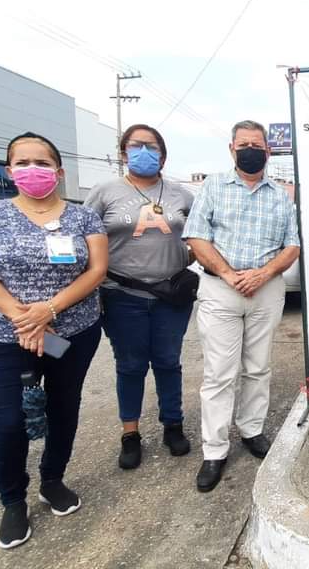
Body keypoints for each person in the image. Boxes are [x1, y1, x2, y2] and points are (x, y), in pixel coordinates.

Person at [0, 132, 106, 549]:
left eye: (40, 162)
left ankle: (52, 480)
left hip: (71, 333)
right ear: (9, 171)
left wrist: (49, 311)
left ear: (58, 172)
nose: (32, 169)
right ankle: (12, 499)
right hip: (6, 336)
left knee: (64, 408)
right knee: (9, 421)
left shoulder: (84, 218)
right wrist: (24, 318)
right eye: (21, 162)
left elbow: (96, 270)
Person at [183, 120, 300, 492]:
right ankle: (214, 450)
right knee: (219, 373)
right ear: (232, 149)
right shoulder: (213, 187)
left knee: (257, 366)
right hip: (221, 288)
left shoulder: (281, 195)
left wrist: (262, 274)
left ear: (268, 151)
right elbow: (196, 237)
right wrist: (230, 273)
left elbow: (292, 246)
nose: (251, 149)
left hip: (265, 290)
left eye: (258, 144)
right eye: (244, 143)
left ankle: (252, 430)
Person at [84, 124, 196, 470]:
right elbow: (85, 240)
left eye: (153, 146)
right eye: (137, 145)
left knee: (167, 361)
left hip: (171, 295)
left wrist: (188, 258)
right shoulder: (104, 193)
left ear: (163, 154)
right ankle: (130, 433)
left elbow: (201, 237)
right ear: (123, 152)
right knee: (130, 366)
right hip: (121, 295)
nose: (145, 152)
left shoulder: (182, 196)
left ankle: (172, 425)